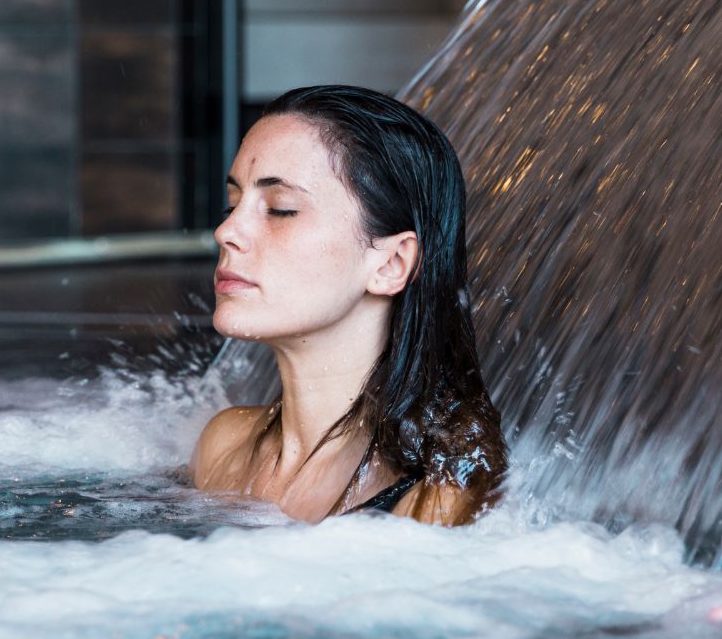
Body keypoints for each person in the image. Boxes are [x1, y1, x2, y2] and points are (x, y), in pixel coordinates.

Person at [191, 84, 508, 526]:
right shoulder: (222, 448)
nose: (226, 231)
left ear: (391, 263)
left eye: (280, 208)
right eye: (233, 202)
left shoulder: (435, 500)